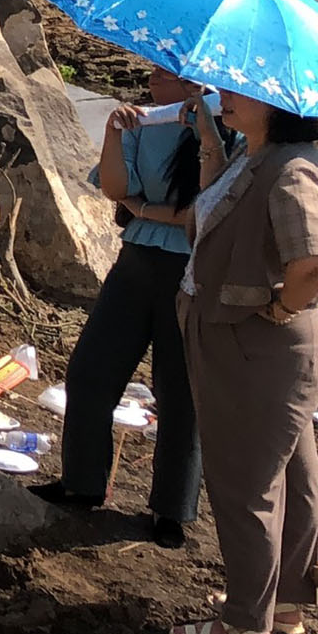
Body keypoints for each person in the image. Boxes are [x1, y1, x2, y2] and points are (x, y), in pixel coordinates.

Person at [167, 89, 318, 634]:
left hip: (255, 346)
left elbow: (312, 262)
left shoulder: (293, 168)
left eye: (241, 92)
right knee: (290, 476)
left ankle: (245, 627)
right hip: (247, 341)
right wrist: (213, 142)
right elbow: (216, 210)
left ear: (278, 104)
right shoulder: (253, 154)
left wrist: (281, 309)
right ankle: (284, 603)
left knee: (244, 483)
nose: (226, 96)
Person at [33, 71, 219, 544]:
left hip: (193, 272)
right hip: (138, 260)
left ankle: (172, 509)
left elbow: (206, 212)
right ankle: (82, 482)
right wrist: (115, 133)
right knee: (92, 369)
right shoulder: (143, 123)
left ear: (191, 82)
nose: (151, 78)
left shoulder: (224, 129)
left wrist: (149, 210)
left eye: (164, 73)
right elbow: (116, 190)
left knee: (179, 390)